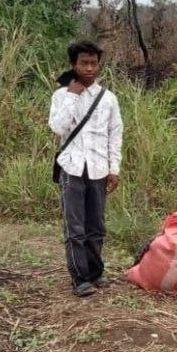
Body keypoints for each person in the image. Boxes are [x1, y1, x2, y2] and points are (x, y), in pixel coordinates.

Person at [49, 41, 123, 297]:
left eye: (94, 63)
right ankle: (80, 278)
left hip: (99, 169)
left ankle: (96, 272)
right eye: (84, 63)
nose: (90, 68)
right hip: (71, 168)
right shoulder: (61, 96)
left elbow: (115, 134)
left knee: (96, 226)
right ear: (74, 65)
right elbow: (58, 128)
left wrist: (114, 168)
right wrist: (72, 96)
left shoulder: (108, 99)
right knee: (75, 227)